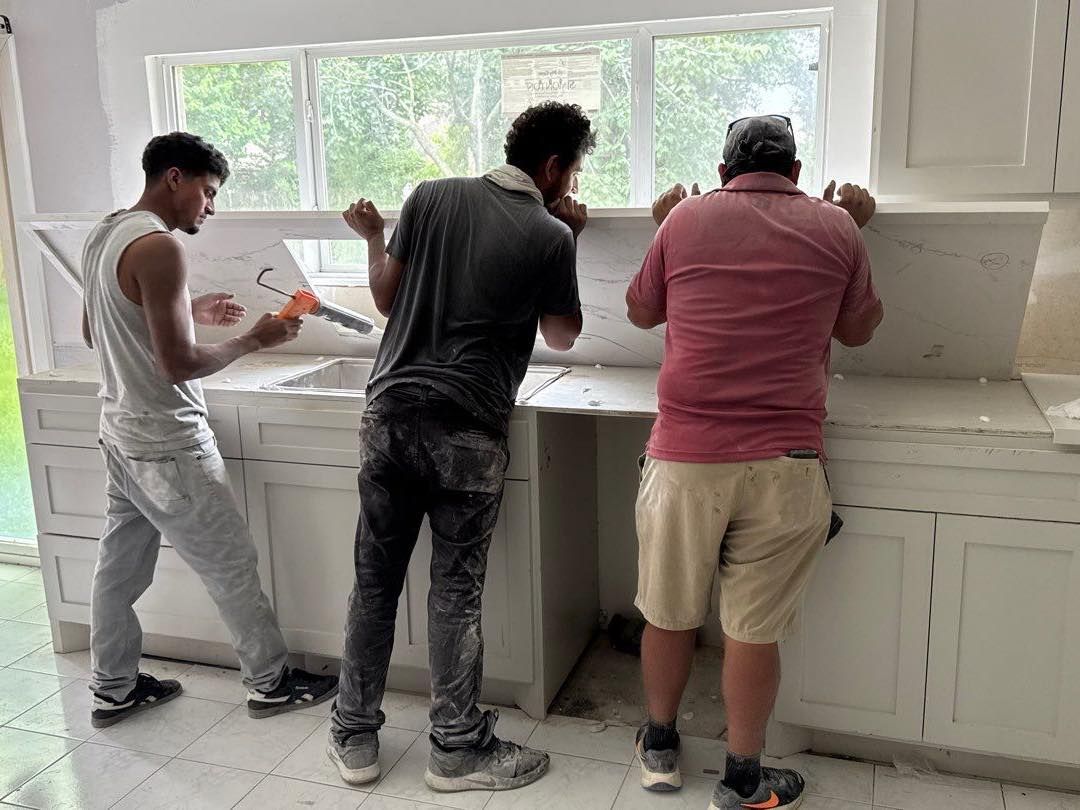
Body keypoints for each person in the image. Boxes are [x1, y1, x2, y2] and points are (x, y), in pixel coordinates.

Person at [327, 101, 592, 793]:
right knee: (454, 596)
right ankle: (455, 749)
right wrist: (569, 239)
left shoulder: (431, 194)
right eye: (573, 171)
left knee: (375, 583)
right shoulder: (549, 231)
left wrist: (374, 239)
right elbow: (563, 336)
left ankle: (353, 738)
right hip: (467, 430)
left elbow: (386, 299)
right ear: (555, 166)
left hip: (388, 415)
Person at [625, 115, 883, 809]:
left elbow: (641, 312)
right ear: (797, 173)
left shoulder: (684, 221)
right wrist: (856, 226)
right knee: (752, 629)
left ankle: (658, 751)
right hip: (787, 461)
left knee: (669, 613)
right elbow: (857, 331)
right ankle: (743, 781)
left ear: (721, 172)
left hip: (685, 457)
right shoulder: (836, 227)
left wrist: (663, 225)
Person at [81, 131, 338, 729]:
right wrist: (256, 338)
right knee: (231, 563)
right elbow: (178, 366)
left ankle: (112, 688)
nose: (211, 206)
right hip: (167, 441)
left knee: (117, 571)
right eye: (208, 191)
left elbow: (100, 329)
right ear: (174, 178)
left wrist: (188, 311)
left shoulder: (107, 233)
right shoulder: (160, 248)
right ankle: (271, 683)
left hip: (120, 433)